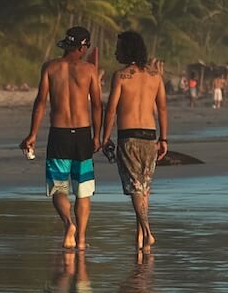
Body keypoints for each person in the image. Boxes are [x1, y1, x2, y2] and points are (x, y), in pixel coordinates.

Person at [20, 27, 103, 251]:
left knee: (58, 188)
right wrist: (98, 136)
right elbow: (96, 105)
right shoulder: (90, 70)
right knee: (83, 190)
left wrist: (33, 134)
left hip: (59, 134)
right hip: (83, 134)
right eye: (86, 47)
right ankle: (82, 240)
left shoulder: (50, 68)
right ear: (81, 47)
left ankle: (69, 225)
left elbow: (40, 102)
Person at [100, 31, 168, 252]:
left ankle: (147, 232)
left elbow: (111, 109)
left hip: (129, 137)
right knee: (144, 188)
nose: (115, 52)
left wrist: (104, 136)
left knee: (135, 188)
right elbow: (163, 108)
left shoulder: (120, 76)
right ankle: (140, 239)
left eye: (118, 48)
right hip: (150, 136)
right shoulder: (155, 76)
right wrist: (164, 138)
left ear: (127, 50)